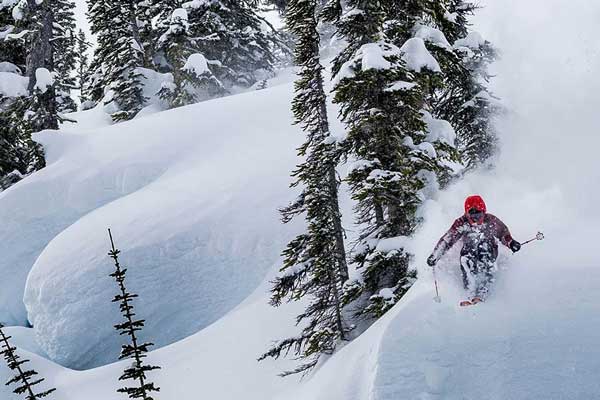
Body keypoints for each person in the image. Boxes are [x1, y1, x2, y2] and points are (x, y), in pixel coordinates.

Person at [427, 195, 521, 306]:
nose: (476, 219)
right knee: (466, 259)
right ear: (467, 214)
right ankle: (469, 292)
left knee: (484, 251)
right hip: (469, 251)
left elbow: (503, 233)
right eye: (472, 215)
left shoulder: (491, 221)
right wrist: (435, 255)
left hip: (489, 250)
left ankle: (482, 292)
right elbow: (447, 240)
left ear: (484, 212)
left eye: (479, 214)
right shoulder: (462, 223)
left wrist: (511, 243)